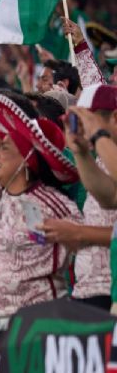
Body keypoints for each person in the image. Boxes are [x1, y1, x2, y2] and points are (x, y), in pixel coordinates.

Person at [0, 92, 82, 340]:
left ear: (27, 157)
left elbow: (89, 251)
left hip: (39, 325)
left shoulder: (52, 205)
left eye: (5, 149)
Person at [62, 85, 117, 310]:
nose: (85, 130)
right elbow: (109, 197)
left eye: (88, 120)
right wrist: (81, 152)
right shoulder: (104, 157)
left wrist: (100, 135)